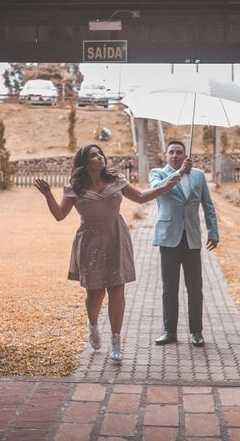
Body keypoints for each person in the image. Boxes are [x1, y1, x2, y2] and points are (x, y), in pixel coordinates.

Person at [34, 144, 180, 363]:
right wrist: (47, 195)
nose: (100, 157)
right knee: (95, 293)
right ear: (84, 162)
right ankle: (93, 324)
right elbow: (59, 215)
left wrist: (168, 185)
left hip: (116, 238)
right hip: (90, 242)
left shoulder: (116, 180)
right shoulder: (74, 187)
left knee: (117, 289)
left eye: (100, 153)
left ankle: (116, 341)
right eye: (93, 155)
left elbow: (141, 197)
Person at [149, 140, 219, 347]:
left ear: (185, 153)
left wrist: (213, 231)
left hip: (191, 239)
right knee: (169, 288)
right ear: (165, 155)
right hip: (168, 238)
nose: (175, 155)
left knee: (195, 287)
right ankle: (169, 331)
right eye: (171, 152)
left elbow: (208, 204)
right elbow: (157, 189)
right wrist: (179, 172)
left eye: (179, 152)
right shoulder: (158, 174)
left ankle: (196, 332)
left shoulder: (198, 175)